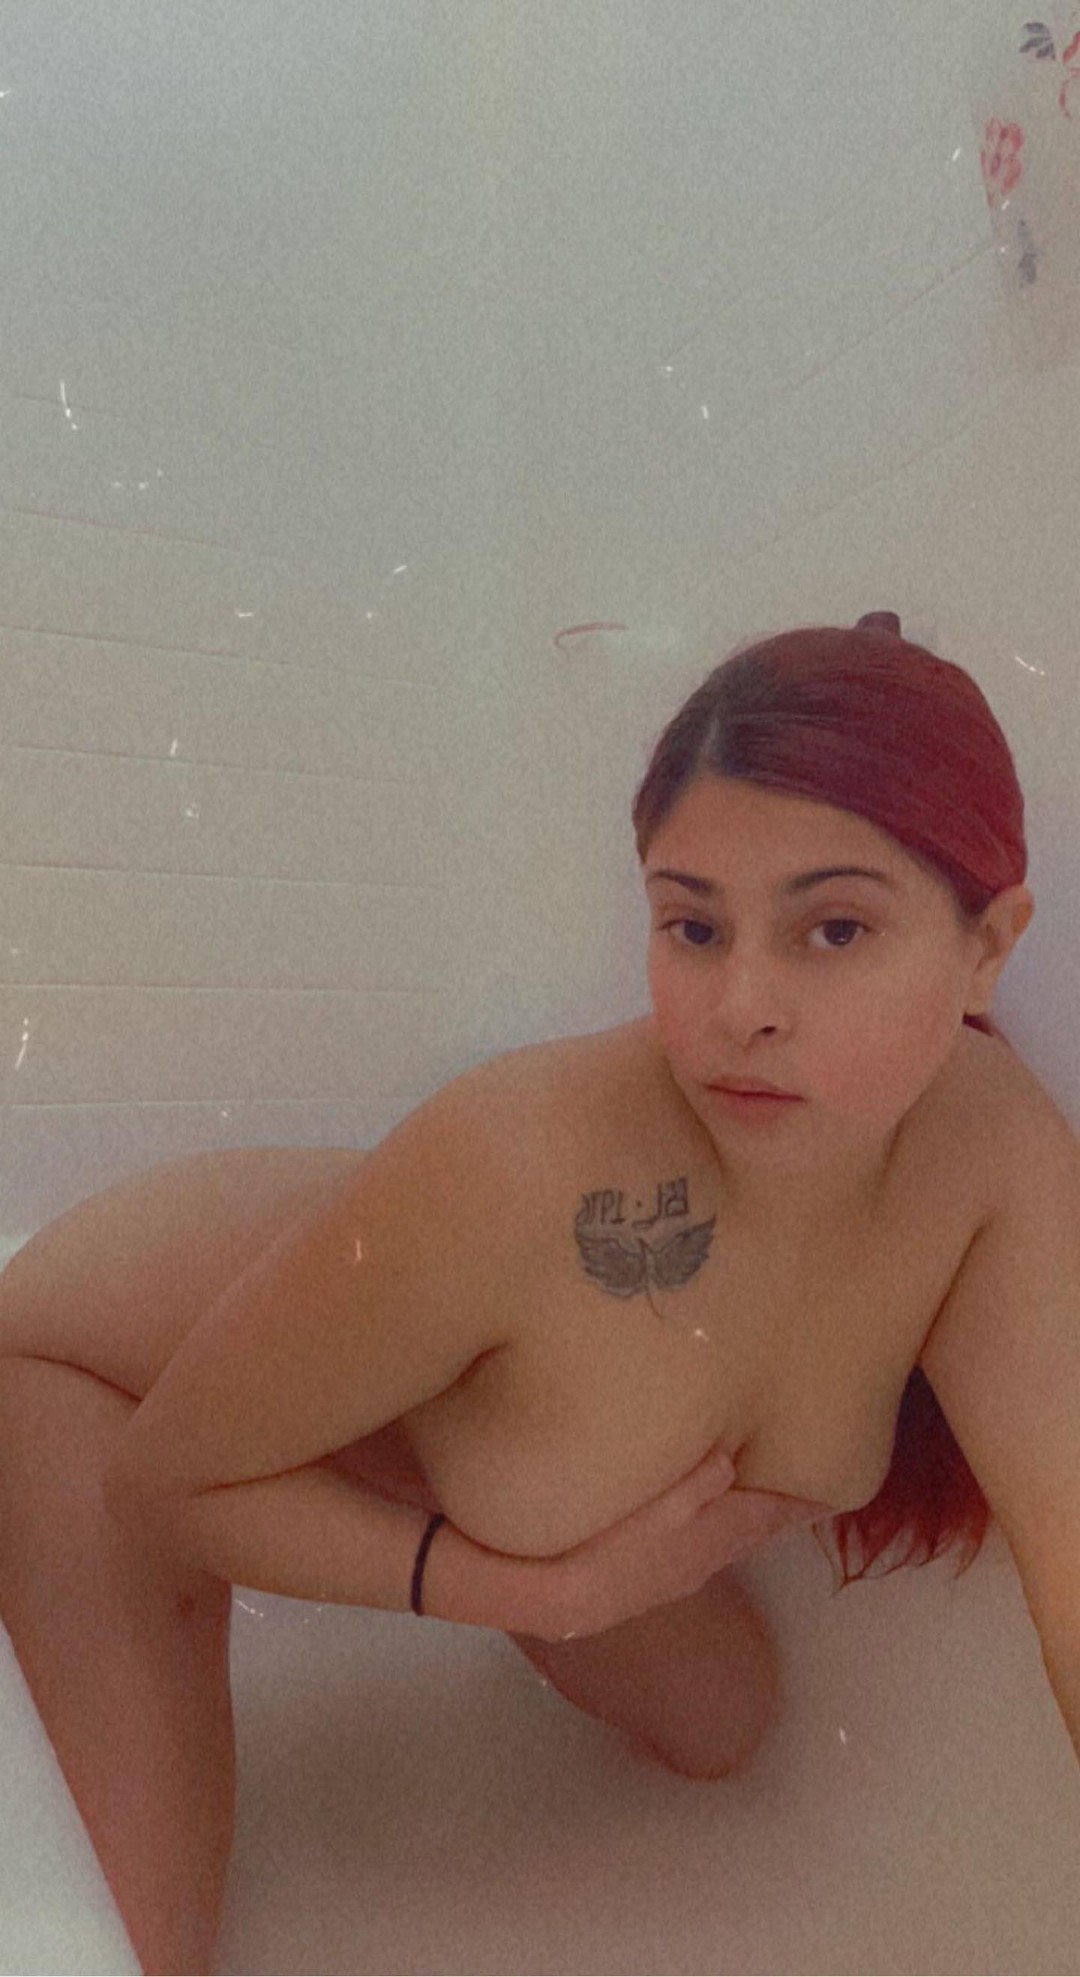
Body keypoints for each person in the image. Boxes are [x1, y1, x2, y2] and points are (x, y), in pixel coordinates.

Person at [0, 617, 1044, 1975]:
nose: (742, 1005)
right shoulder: (523, 1154)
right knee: (137, 1953)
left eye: (834, 926)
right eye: (692, 924)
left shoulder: (986, 1145)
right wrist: (527, 1588)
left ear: (987, 945)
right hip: (99, 1387)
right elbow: (161, 1482)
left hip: (403, 1348)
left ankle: (426, 1419)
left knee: (727, 1726)